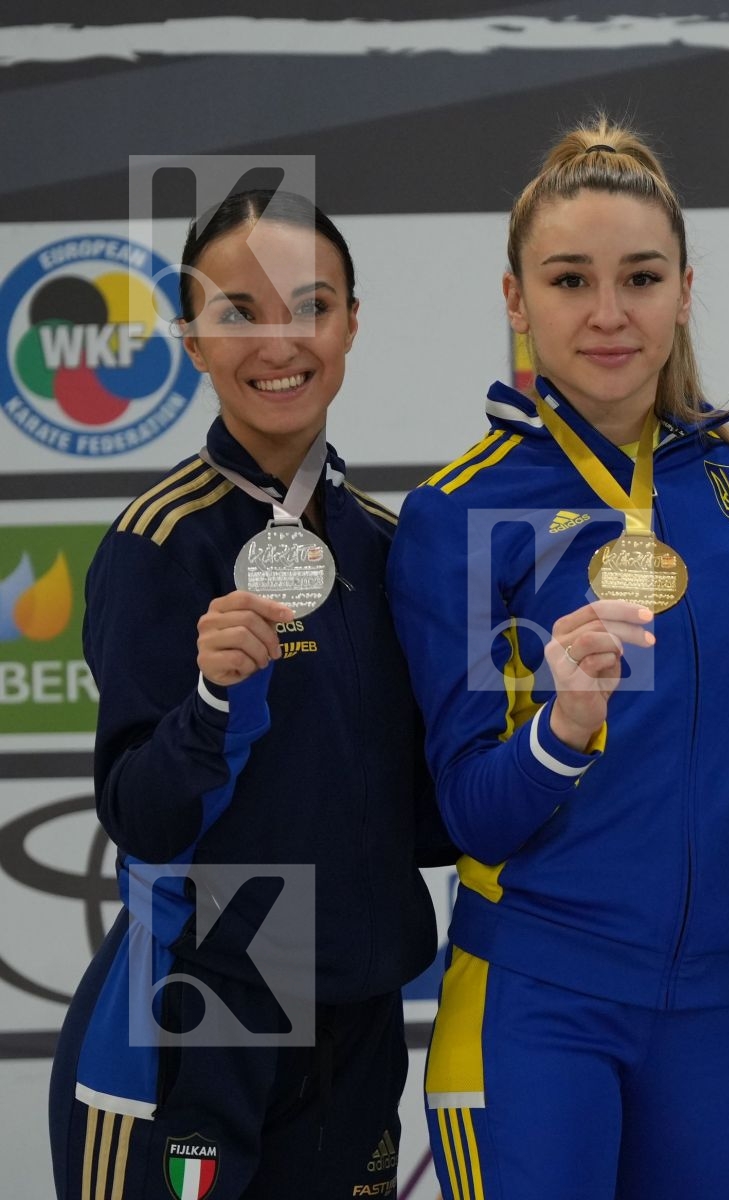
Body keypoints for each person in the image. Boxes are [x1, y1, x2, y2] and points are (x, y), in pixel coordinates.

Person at [387, 117, 729, 1200]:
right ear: (515, 299)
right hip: (539, 1003)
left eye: (640, 277)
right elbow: (468, 813)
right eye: (570, 279)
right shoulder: (464, 512)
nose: (609, 314)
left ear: (683, 289)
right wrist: (561, 729)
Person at [48, 189, 444, 1199]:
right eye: (238, 311)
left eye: (310, 306)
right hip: (202, 1014)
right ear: (188, 336)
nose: (279, 342)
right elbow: (140, 811)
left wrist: (545, 723)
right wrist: (213, 702)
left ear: (351, 321)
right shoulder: (161, 544)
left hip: (358, 1013)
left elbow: (423, 823)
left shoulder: (390, 547)